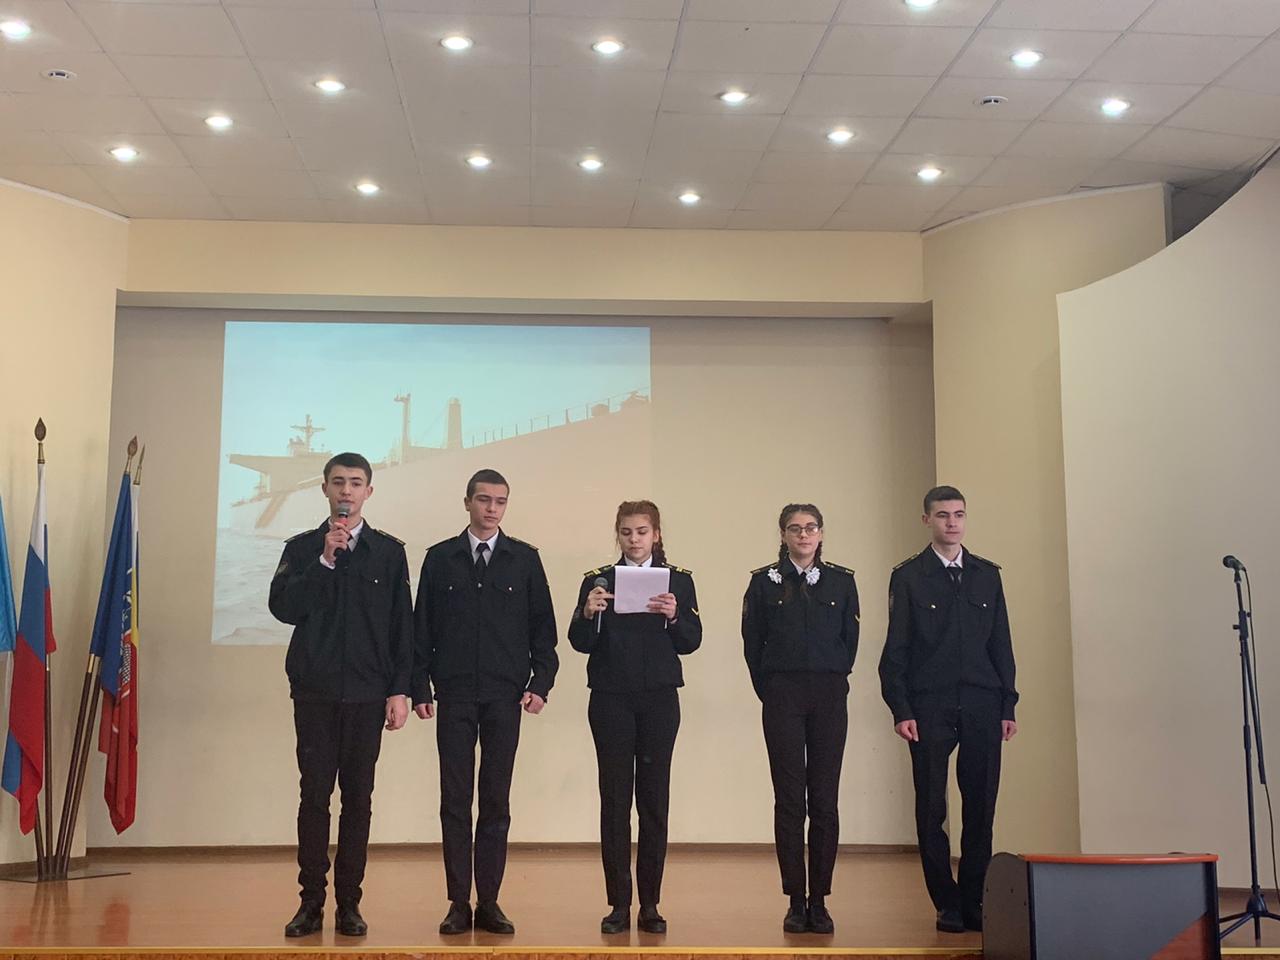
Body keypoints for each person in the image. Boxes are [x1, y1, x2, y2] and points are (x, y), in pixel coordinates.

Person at [268, 452, 413, 939]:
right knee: (314, 797)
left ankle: (349, 904)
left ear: (368, 491)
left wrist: (400, 690)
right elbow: (284, 608)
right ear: (325, 489)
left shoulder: (388, 552)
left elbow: (402, 626)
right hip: (315, 692)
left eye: (355, 483)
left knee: (358, 800)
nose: (346, 491)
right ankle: (310, 902)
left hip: (368, 694)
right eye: (337, 482)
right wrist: (325, 561)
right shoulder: (303, 548)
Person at [412, 468, 558, 936]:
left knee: (496, 800)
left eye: (500, 501)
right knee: (454, 801)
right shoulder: (440, 558)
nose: (492, 508)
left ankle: (490, 901)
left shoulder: (524, 559)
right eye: (483, 499)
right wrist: (420, 688)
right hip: (453, 695)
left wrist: (542, 682)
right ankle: (458, 902)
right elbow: (421, 629)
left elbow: (544, 630)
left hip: (503, 697)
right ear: (467, 502)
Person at [877, 485, 1018, 934]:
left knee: (981, 805)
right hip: (929, 704)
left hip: (982, 702)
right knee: (931, 807)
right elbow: (896, 649)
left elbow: (1001, 644)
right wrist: (901, 707)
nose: (952, 523)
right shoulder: (909, 576)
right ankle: (946, 902)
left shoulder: (986, 575)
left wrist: (1008, 703)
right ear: (927, 520)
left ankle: (974, 899)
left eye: (958, 514)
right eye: (942, 515)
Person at [568, 500, 702, 935]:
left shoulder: (678, 580)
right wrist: (588, 613)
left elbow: (691, 641)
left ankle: (651, 903)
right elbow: (578, 641)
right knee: (614, 801)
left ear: (656, 534)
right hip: (610, 698)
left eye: (642, 531)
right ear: (618, 534)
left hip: (659, 699)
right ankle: (618, 904)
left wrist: (675, 615)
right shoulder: (597, 580)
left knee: (654, 801)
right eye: (626, 532)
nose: (634, 539)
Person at [741, 504, 860, 935]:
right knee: (790, 800)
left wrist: (832, 677)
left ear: (821, 533)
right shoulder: (763, 582)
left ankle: (820, 899)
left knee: (825, 800)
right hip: (783, 695)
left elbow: (850, 641)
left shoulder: (841, 581)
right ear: (783, 535)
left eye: (811, 528)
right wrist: (772, 689)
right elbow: (752, 644)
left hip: (828, 695)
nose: (804, 535)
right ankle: (795, 899)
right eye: (795, 529)